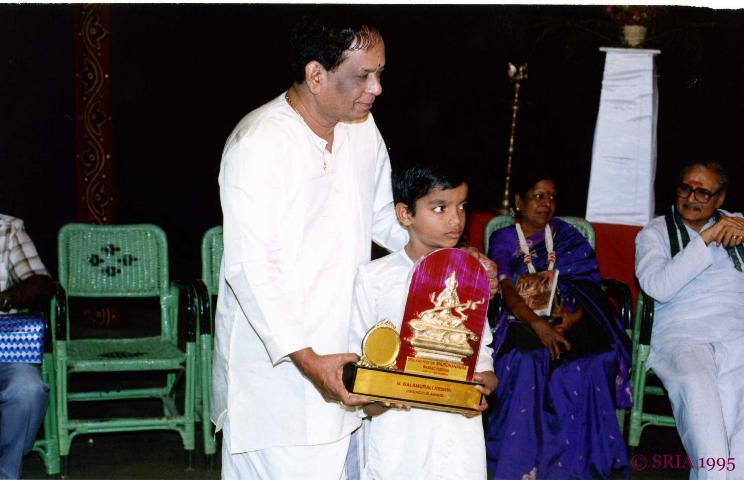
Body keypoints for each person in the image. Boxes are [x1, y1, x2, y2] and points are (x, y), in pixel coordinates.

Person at [211, 16, 497, 479]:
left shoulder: (360, 128)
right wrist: (309, 360)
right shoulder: (259, 143)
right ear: (316, 74)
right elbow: (249, 268)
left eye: (379, 73)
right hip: (280, 374)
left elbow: (387, 217)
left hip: (350, 357)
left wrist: (453, 265)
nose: (377, 88)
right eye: (363, 75)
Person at [348, 164, 498, 479]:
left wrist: (486, 379)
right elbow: (358, 359)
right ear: (405, 214)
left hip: (457, 430)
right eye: (440, 208)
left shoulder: (470, 275)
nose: (456, 219)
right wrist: (379, 397)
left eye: (462, 207)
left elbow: (479, 345)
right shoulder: (375, 277)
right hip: (397, 430)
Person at [484, 170, 632, 480]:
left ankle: (575, 464)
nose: (546, 203)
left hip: (570, 320)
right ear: (519, 201)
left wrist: (573, 317)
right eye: (538, 196)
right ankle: (524, 463)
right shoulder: (505, 238)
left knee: (593, 361)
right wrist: (540, 325)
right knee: (529, 360)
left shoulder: (567, 236)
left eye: (551, 197)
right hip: (522, 321)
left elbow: (589, 287)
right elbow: (506, 289)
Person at [635, 161, 744, 480]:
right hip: (682, 334)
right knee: (699, 393)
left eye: (703, 192)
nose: (691, 197)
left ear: (720, 198)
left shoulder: (736, 223)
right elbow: (658, 287)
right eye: (686, 188)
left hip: (736, 333)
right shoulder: (654, 233)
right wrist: (706, 239)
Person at [0, 213, 55, 479]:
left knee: (27, 390)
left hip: (4, 343)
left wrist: (6, 298)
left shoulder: (7, 229)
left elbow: (41, 282)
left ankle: (5, 472)